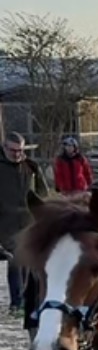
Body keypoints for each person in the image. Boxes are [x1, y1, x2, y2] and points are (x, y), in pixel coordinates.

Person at [0, 129, 49, 314]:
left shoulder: (31, 167)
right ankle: (16, 302)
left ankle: (27, 299)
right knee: (15, 261)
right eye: (13, 150)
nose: (17, 154)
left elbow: (43, 192)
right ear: (5, 148)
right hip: (6, 222)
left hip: (28, 221)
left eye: (20, 150)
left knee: (28, 262)